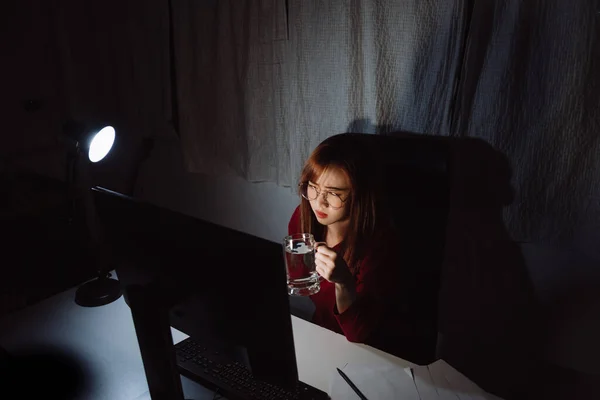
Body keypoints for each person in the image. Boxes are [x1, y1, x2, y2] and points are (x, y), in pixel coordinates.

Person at [288, 134, 417, 355]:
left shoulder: (379, 245)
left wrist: (344, 282)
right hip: (322, 337)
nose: (319, 202)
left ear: (358, 196)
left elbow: (360, 334)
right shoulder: (304, 218)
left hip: (369, 352)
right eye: (313, 187)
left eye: (334, 193)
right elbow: (300, 281)